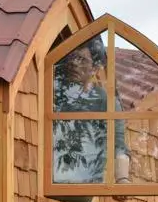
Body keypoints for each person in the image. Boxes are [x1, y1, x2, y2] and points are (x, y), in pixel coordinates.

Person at [51, 36, 130, 184]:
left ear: (94, 68)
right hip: (48, 181)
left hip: (84, 185)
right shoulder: (51, 91)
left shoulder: (104, 101)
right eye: (72, 58)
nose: (74, 64)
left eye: (82, 60)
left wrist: (122, 179)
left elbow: (118, 142)